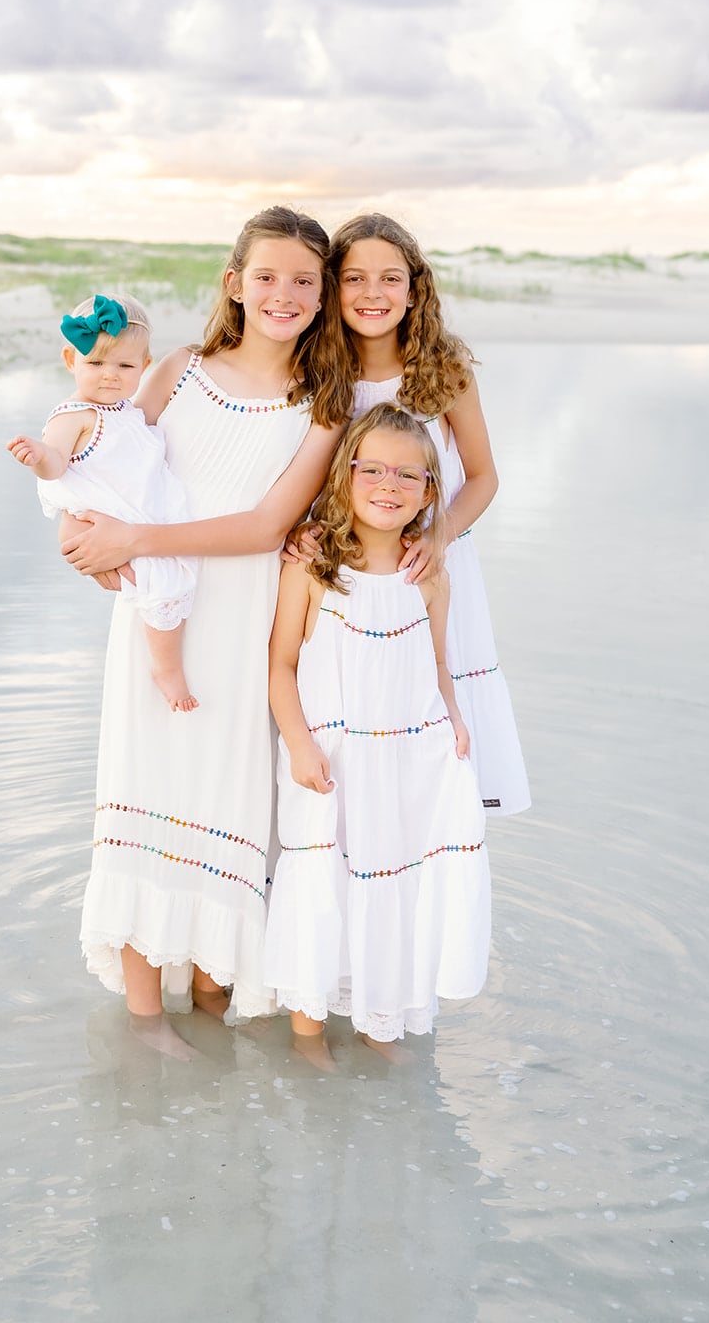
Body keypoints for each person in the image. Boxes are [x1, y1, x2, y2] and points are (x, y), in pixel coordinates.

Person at [59, 208, 355, 1059]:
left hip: (242, 623)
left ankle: (214, 1000)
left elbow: (267, 525)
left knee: (231, 805)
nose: (284, 294)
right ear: (234, 282)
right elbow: (104, 462)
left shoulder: (321, 404)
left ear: (322, 293)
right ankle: (149, 1022)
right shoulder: (179, 371)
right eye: (265, 275)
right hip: (159, 619)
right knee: (146, 788)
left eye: (305, 280)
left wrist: (135, 540)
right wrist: (78, 534)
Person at [264, 403, 492, 1065]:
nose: (388, 486)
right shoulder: (312, 565)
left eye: (408, 475)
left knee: (393, 886)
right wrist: (299, 743)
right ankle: (307, 1035)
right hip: (329, 760)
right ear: (344, 475)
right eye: (373, 471)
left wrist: (453, 726)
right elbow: (280, 663)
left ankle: (378, 1021)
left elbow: (437, 666)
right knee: (319, 884)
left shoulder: (428, 576)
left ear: (428, 492)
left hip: (404, 760)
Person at [332, 212, 531, 818]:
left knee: (438, 728)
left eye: (390, 278)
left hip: (433, 567)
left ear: (415, 288)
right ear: (332, 285)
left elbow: (483, 476)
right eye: (354, 277)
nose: (373, 293)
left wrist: (439, 536)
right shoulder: (318, 372)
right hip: (346, 573)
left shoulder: (442, 372)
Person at [7, 292, 199, 711]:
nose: (109, 376)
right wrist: (39, 456)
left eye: (125, 366)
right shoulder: (73, 415)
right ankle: (166, 668)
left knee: (171, 574)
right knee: (161, 584)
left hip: (146, 509)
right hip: (114, 513)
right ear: (70, 360)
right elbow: (57, 462)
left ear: (144, 368)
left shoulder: (126, 410)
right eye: (95, 363)